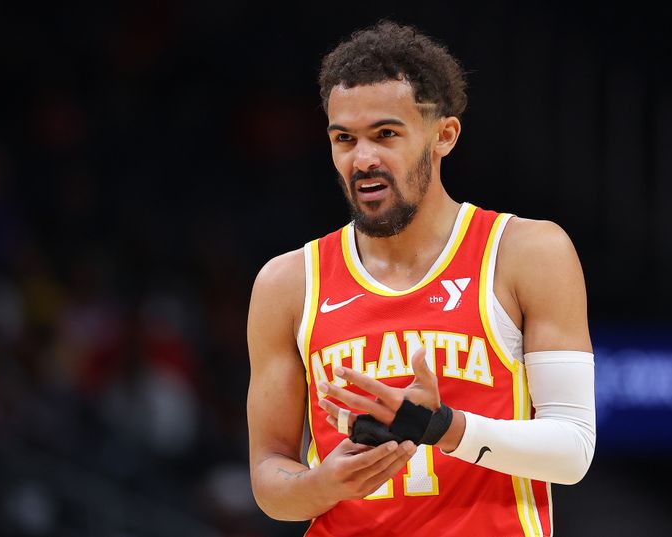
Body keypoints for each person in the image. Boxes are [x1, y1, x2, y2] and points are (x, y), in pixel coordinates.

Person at [247, 20, 595, 537]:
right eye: (345, 139)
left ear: (444, 136)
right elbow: (269, 475)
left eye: (386, 134)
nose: (363, 158)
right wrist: (324, 483)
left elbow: (572, 451)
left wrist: (444, 428)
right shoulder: (287, 282)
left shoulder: (526, 252)